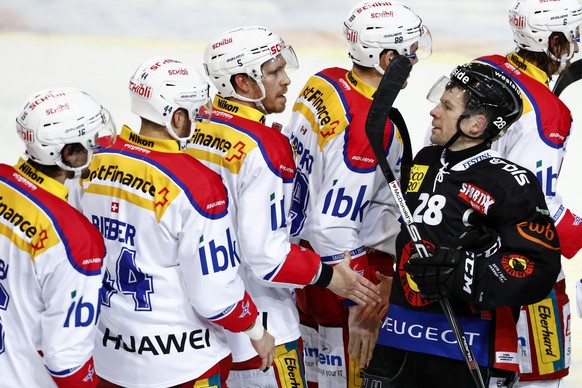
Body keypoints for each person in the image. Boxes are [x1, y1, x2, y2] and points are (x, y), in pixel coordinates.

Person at [187, 25, 382, 388]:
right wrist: (328, 276)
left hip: (207, 321)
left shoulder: (198, 122)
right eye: (274, 72)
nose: (286, 80)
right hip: (263, 325)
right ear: (243, 83)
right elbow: (268, 257)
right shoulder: (265, 145)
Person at [78, 56, 275, 388]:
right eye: (198, 113)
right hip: (181, 363)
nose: (203, 120)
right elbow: (215, 295)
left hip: (109, 356)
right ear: (177, 116)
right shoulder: (197, 183)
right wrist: (255, 330)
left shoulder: (95, 159)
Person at [362, 61, 562, 388]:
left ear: (475, 124)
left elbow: (537, 268)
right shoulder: (424, 161)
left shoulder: (510, 184)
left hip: (463, 349)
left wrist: (467, 273)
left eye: (447, 106)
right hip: (398, 341)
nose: (434, 112)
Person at [281, 1, 432, 386]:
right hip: (347, 276)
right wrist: (360, 303)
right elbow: (332, 223)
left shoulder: (324, 82)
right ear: (386, 58)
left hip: (309, 268)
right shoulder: (367, 126)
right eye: (409, 54)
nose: (414, 62)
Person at [472, 0, 582, 385]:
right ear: (553, 42)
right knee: (541, 380)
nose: (576, 44)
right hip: (518, 268)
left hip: (461, 252)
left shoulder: (479, 68)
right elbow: (538, 208)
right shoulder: (547, 112)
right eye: (572, 36)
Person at [0, 87, 116, 387]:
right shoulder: (75, 238)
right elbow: (67, 361)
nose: (97, 146)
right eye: (90, 140)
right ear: (68, 154)